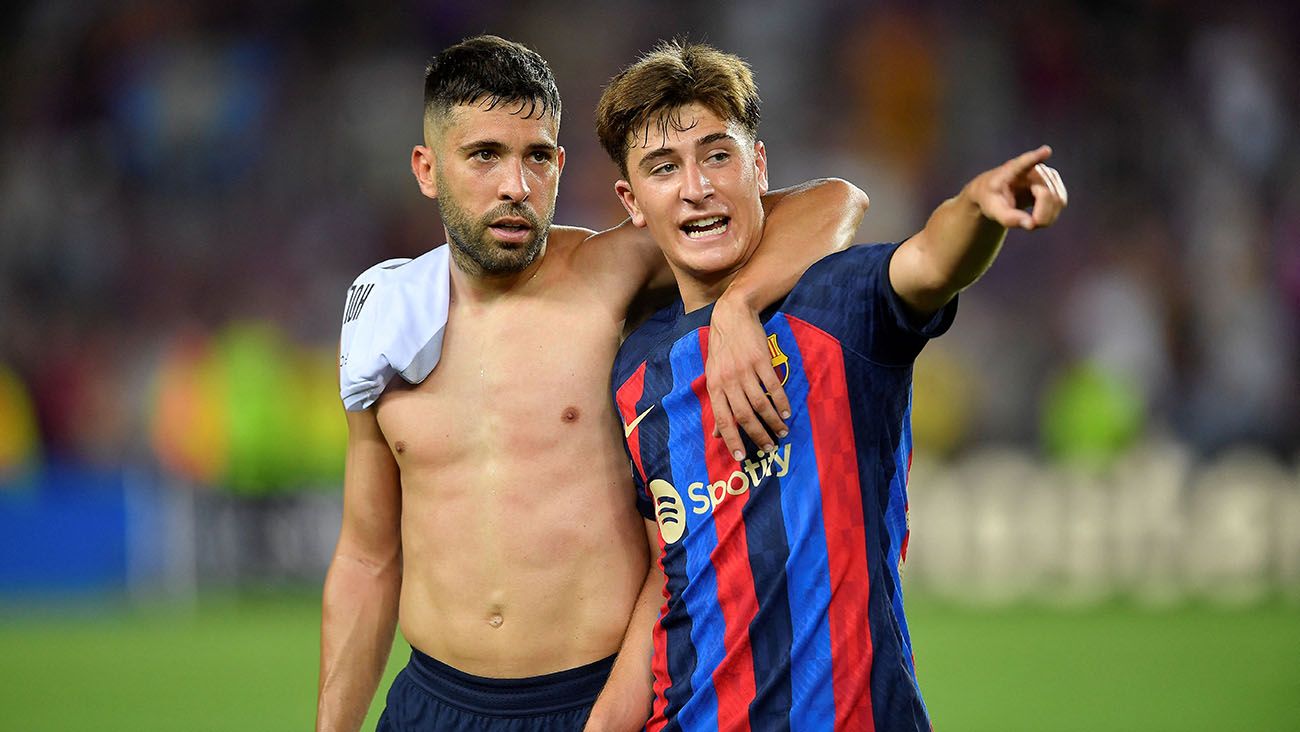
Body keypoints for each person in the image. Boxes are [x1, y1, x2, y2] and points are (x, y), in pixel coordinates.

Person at [316, 35, 869, 732]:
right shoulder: (384, 318)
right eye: (485, 155)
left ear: (559, 164)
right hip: (435, 704)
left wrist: (739, 303)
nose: (515, 186)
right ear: (427, 168)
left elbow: (833, 203)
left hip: (600, 701)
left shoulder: (613, 273)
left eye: (536, 156)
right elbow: (367, 558)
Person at [594, 41, 1067, 730]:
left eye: (717, 155)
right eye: (664, 169)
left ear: (758, 166)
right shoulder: (635, 369)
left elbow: (931, 261)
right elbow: (669, 579)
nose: (696, 186)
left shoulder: (838, 304)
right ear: (632, 202)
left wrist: (981, 208)